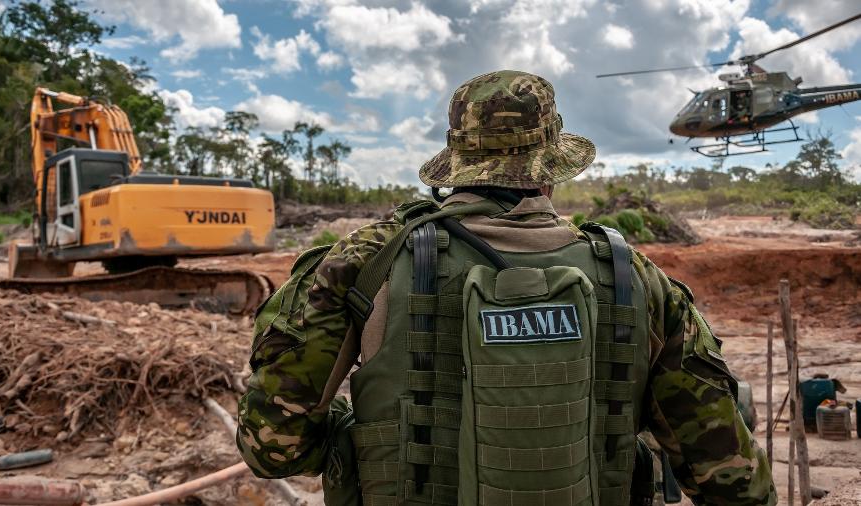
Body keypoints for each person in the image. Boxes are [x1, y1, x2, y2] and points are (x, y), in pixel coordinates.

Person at [237, 70, 776, 506]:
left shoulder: (365, 262)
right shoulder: (635, 277)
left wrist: (364, 433)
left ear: (456, 165)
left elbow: (273, 447)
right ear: (551, 169)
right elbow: (732, 481)